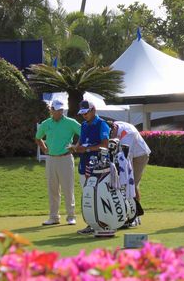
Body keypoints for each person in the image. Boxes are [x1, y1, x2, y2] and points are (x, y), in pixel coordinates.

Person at [35, 100, 81, 226]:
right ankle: (54, 217)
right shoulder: (46, 123)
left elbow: (84, 133)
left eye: (61, 110)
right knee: (53, 189)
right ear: (52, 110)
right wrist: (44, 149)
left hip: (65, 158)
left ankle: (71, 216)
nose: (60, 112)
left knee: (68, 188)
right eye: (57, 110)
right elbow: (38, 138)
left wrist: (76, 146)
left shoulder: (70, 122)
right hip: (50, 159)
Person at [72, 100, 110, 235]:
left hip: (98, 166)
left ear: (93, 110)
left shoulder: (102, 124)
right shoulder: (83, 125)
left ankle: (101, 223)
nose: (84, 115)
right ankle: (91, 223)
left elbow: (105, 145)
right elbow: (81, 141)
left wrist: (86, 149)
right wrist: (75, 147)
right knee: (87, 195)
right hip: (84, 164)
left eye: (86, 113)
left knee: (97, 194)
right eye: (82, 113)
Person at [109, 120, 151, 225]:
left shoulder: (127, 134)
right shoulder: (113, 127)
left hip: (140, 155)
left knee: (132, 184)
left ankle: (135, 216)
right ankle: (127, 213)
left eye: (110, 134)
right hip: (127, 155)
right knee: (125, 185)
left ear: (114, 128)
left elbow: (126, 158)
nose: (109, 137)